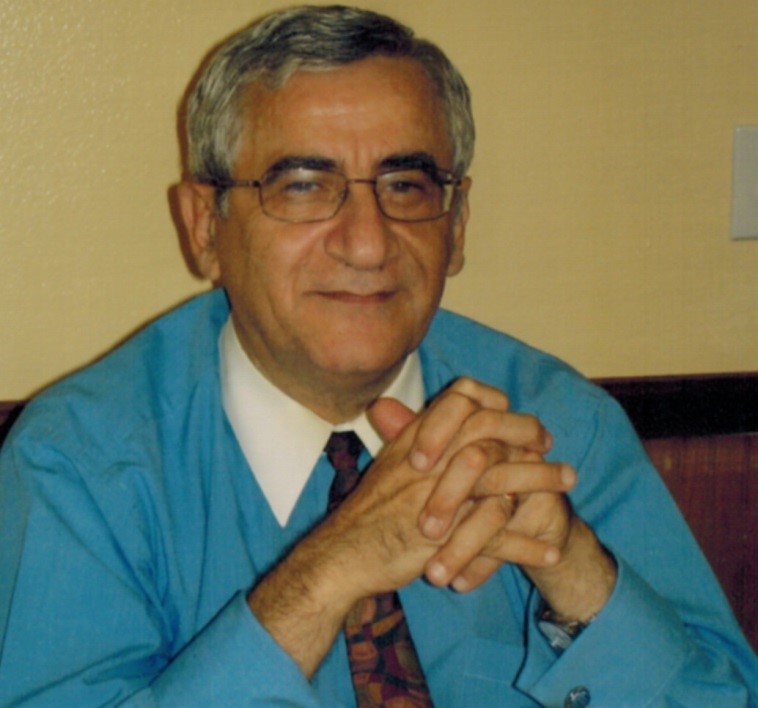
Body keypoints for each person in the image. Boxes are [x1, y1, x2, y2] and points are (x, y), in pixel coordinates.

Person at [0, 5, 755, 706]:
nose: (366, 242)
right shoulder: (79, 464)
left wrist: (578, 571)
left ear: (455, 226)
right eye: (301, 185)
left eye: (406, 184)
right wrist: (327, 574)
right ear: (204, 225)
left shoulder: (559, 424)